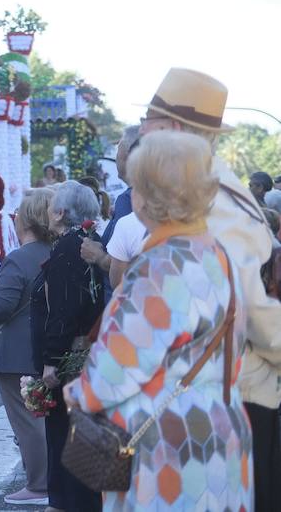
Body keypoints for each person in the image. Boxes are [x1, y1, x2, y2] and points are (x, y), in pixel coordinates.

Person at [64, 131, 251, 511]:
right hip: (224, 427)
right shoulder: (219, 255)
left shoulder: (159, 265)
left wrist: (75, 394)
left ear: (150, 195)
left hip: (166, 443)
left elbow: (114, 373)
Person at [137, 67, 281, 510]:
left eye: (151, 120)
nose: (142, 130)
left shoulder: (215, 201)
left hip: (230, 398)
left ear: (176, 130)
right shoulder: (193, 189)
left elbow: (250, 311)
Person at [0, 188, 57, 506]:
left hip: (16, 352)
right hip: (46, 347)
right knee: (43, 419)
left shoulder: (19, 259)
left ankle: (38, 484)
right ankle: (46, 479)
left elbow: (1, 307)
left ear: (25, 220)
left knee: (27, 421)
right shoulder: (56, 251)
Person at [30, 180, 106, 512]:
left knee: (64, 433)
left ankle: (67, 503)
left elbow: (63, 309)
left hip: (70, 358)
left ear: (61, 213)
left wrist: (51, 360)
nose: (47, 211)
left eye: (51, 207)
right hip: (90, 352)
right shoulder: (91, 242)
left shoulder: (66, 247)